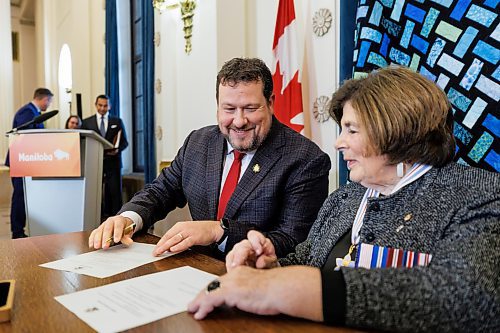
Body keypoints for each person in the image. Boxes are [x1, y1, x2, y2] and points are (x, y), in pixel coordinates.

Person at [188, 66, 500, 332]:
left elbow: (470, 297)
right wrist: (270, 267)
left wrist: (288, 288)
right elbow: (308, 261)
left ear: (396, 130)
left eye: (351, 130)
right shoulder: (345, 198)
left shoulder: (477, 193)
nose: (338, 143)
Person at [88, 57, 331, 259]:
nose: (238, 121)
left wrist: (220, 232)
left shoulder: (305, 159)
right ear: (217, 106)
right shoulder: (198, 142)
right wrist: (127, 218)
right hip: (194, 272)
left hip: (258, 284)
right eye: (229, 109)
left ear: (270, 104)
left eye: (250, 108)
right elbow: (161, 191)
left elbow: (294, 241)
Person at [5, 88, 54, 238]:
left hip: (29, 160)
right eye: (49, 101)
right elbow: (24, 137)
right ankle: (17, 232)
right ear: (44, 99)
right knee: (20, 196)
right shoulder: (27, 112)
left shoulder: (34, 113)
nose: (49, 105)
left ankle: (21, 230)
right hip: (22, 160)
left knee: (24, 196)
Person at [81, 95, 128, 217]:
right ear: (95, 105)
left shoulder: (117, 121)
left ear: (110, 106)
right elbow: (82, 142)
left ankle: (117, 220)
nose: (102, 108)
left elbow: (124, 142)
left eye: (105, 105)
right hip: (94, 163)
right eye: (100, 105)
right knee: (94, 194)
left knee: (114, 193)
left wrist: (117, 150)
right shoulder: (86, 122)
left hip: (113, 163)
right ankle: (96, 220)